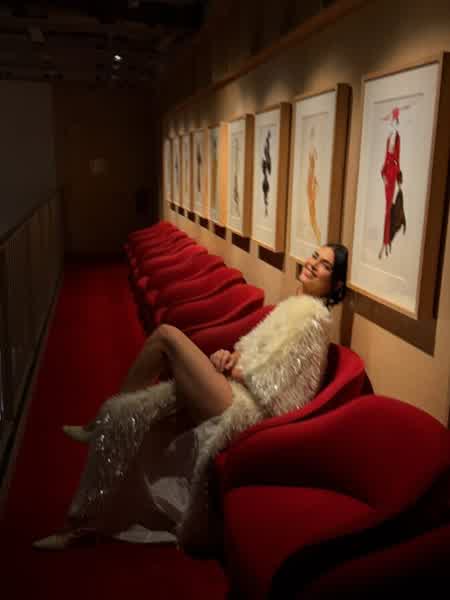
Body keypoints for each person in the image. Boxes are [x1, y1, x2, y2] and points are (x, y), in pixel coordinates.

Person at [33, 244, 348, 551]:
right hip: (234, 388)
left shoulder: (313, 318)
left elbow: (287, 391)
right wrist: (229, 356)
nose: (313, 264)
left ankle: (97, 430)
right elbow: (254, 353)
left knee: (166, 336)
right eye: (314, 256)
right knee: (132, 408)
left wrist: (243, 371)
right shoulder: (295, 307)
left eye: (325, 265)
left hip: (247, 408)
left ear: (335, 284)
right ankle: (81, 515)